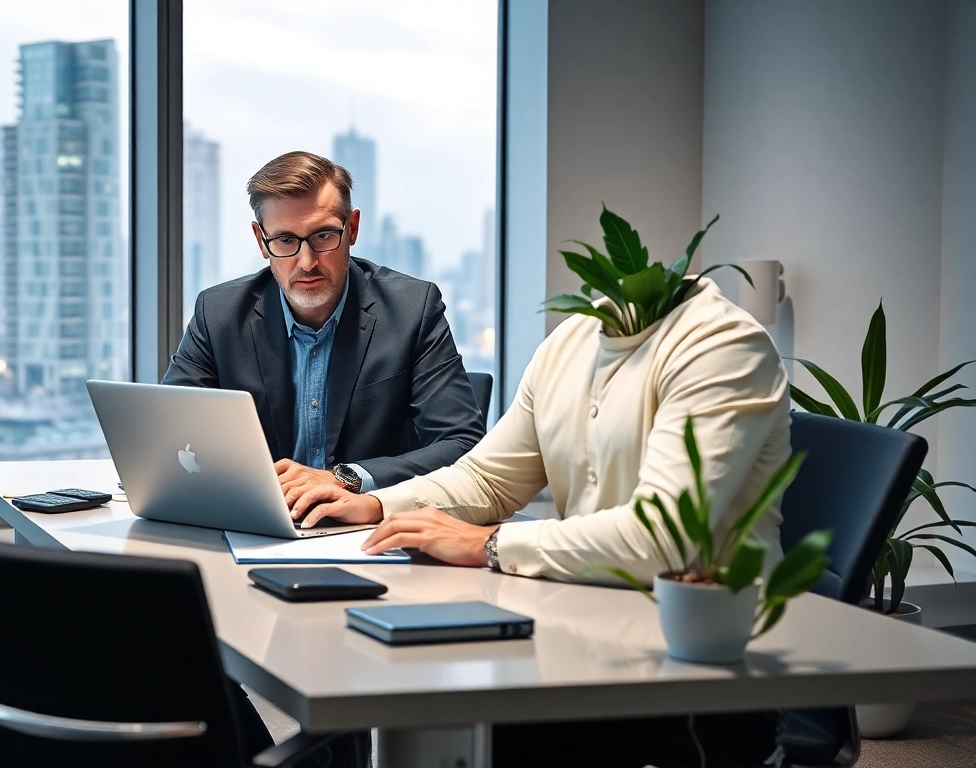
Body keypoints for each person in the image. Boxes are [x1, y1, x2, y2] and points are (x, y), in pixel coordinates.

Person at [292, 274, 793, 767]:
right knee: (466, 706)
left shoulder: (722, 345)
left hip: (701, 669)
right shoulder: (569, 343)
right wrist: (377, 505)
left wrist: (490, 544)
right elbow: (489, 480)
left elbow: (661, 535)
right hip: (585, 636)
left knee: (479, 713)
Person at [163, 150, 485, 504]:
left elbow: (461, 444)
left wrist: (346, 479)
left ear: (353, 229)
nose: (307, 261)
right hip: (257, 517)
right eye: (285, 240)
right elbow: (170, 435)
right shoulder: (219, 313)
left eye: (324, 236)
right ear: (261, 241)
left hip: (366, 526)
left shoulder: (412, 310)